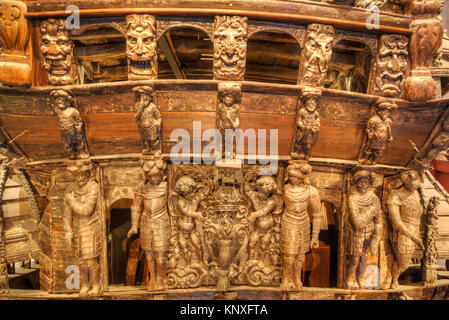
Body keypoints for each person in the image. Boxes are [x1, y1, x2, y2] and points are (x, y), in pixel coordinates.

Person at [127, 153, 169, 291]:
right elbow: (136, 206)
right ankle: (152, 278)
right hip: (146, 220)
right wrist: (134, 226)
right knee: (149, 254)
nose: (155, 178)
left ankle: (161, 278)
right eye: (152, 176)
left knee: (161, 255)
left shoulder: (166, 186)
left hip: (162, 220)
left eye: (158, 176)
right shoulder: (142, 188)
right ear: (147, 176)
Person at [63, 159, 102, 297]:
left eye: (82, 176)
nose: (80, 180)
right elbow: (67, 215)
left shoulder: (93, 187)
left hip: (90, 226)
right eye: (77, 177)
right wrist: (68, 231)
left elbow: (87, 210)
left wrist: (72, 200)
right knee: (81, 260)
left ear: (87, 174)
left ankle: (97, 285)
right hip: (77, 228)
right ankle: (85, 284)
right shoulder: (70, 190)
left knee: (91, 260)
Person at [280, 162, 321, 291]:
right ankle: (286, 278)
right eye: (291, 176)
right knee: (290, 255)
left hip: (303, 222)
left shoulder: (311, 191)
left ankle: (297, 277)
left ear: (303, 177)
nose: (293, 179)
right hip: (289, 221)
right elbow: (277, 206)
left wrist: (315, 236)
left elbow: (318, 214)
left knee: (301, 255)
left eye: (297, 177)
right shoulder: (284, 189)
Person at [345, 169, 382, 289]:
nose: (363, 184)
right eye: (360, 181)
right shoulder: (353, 198)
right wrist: (372, 209)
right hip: (356, 233)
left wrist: (377, 237)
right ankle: (349, 278)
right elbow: (358, 223)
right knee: (355, 258)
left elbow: (379, 220)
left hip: (370, 232)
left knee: (364, 258)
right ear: (356, 183)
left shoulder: (374, 198)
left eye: (366, 181)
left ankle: (361, 278)